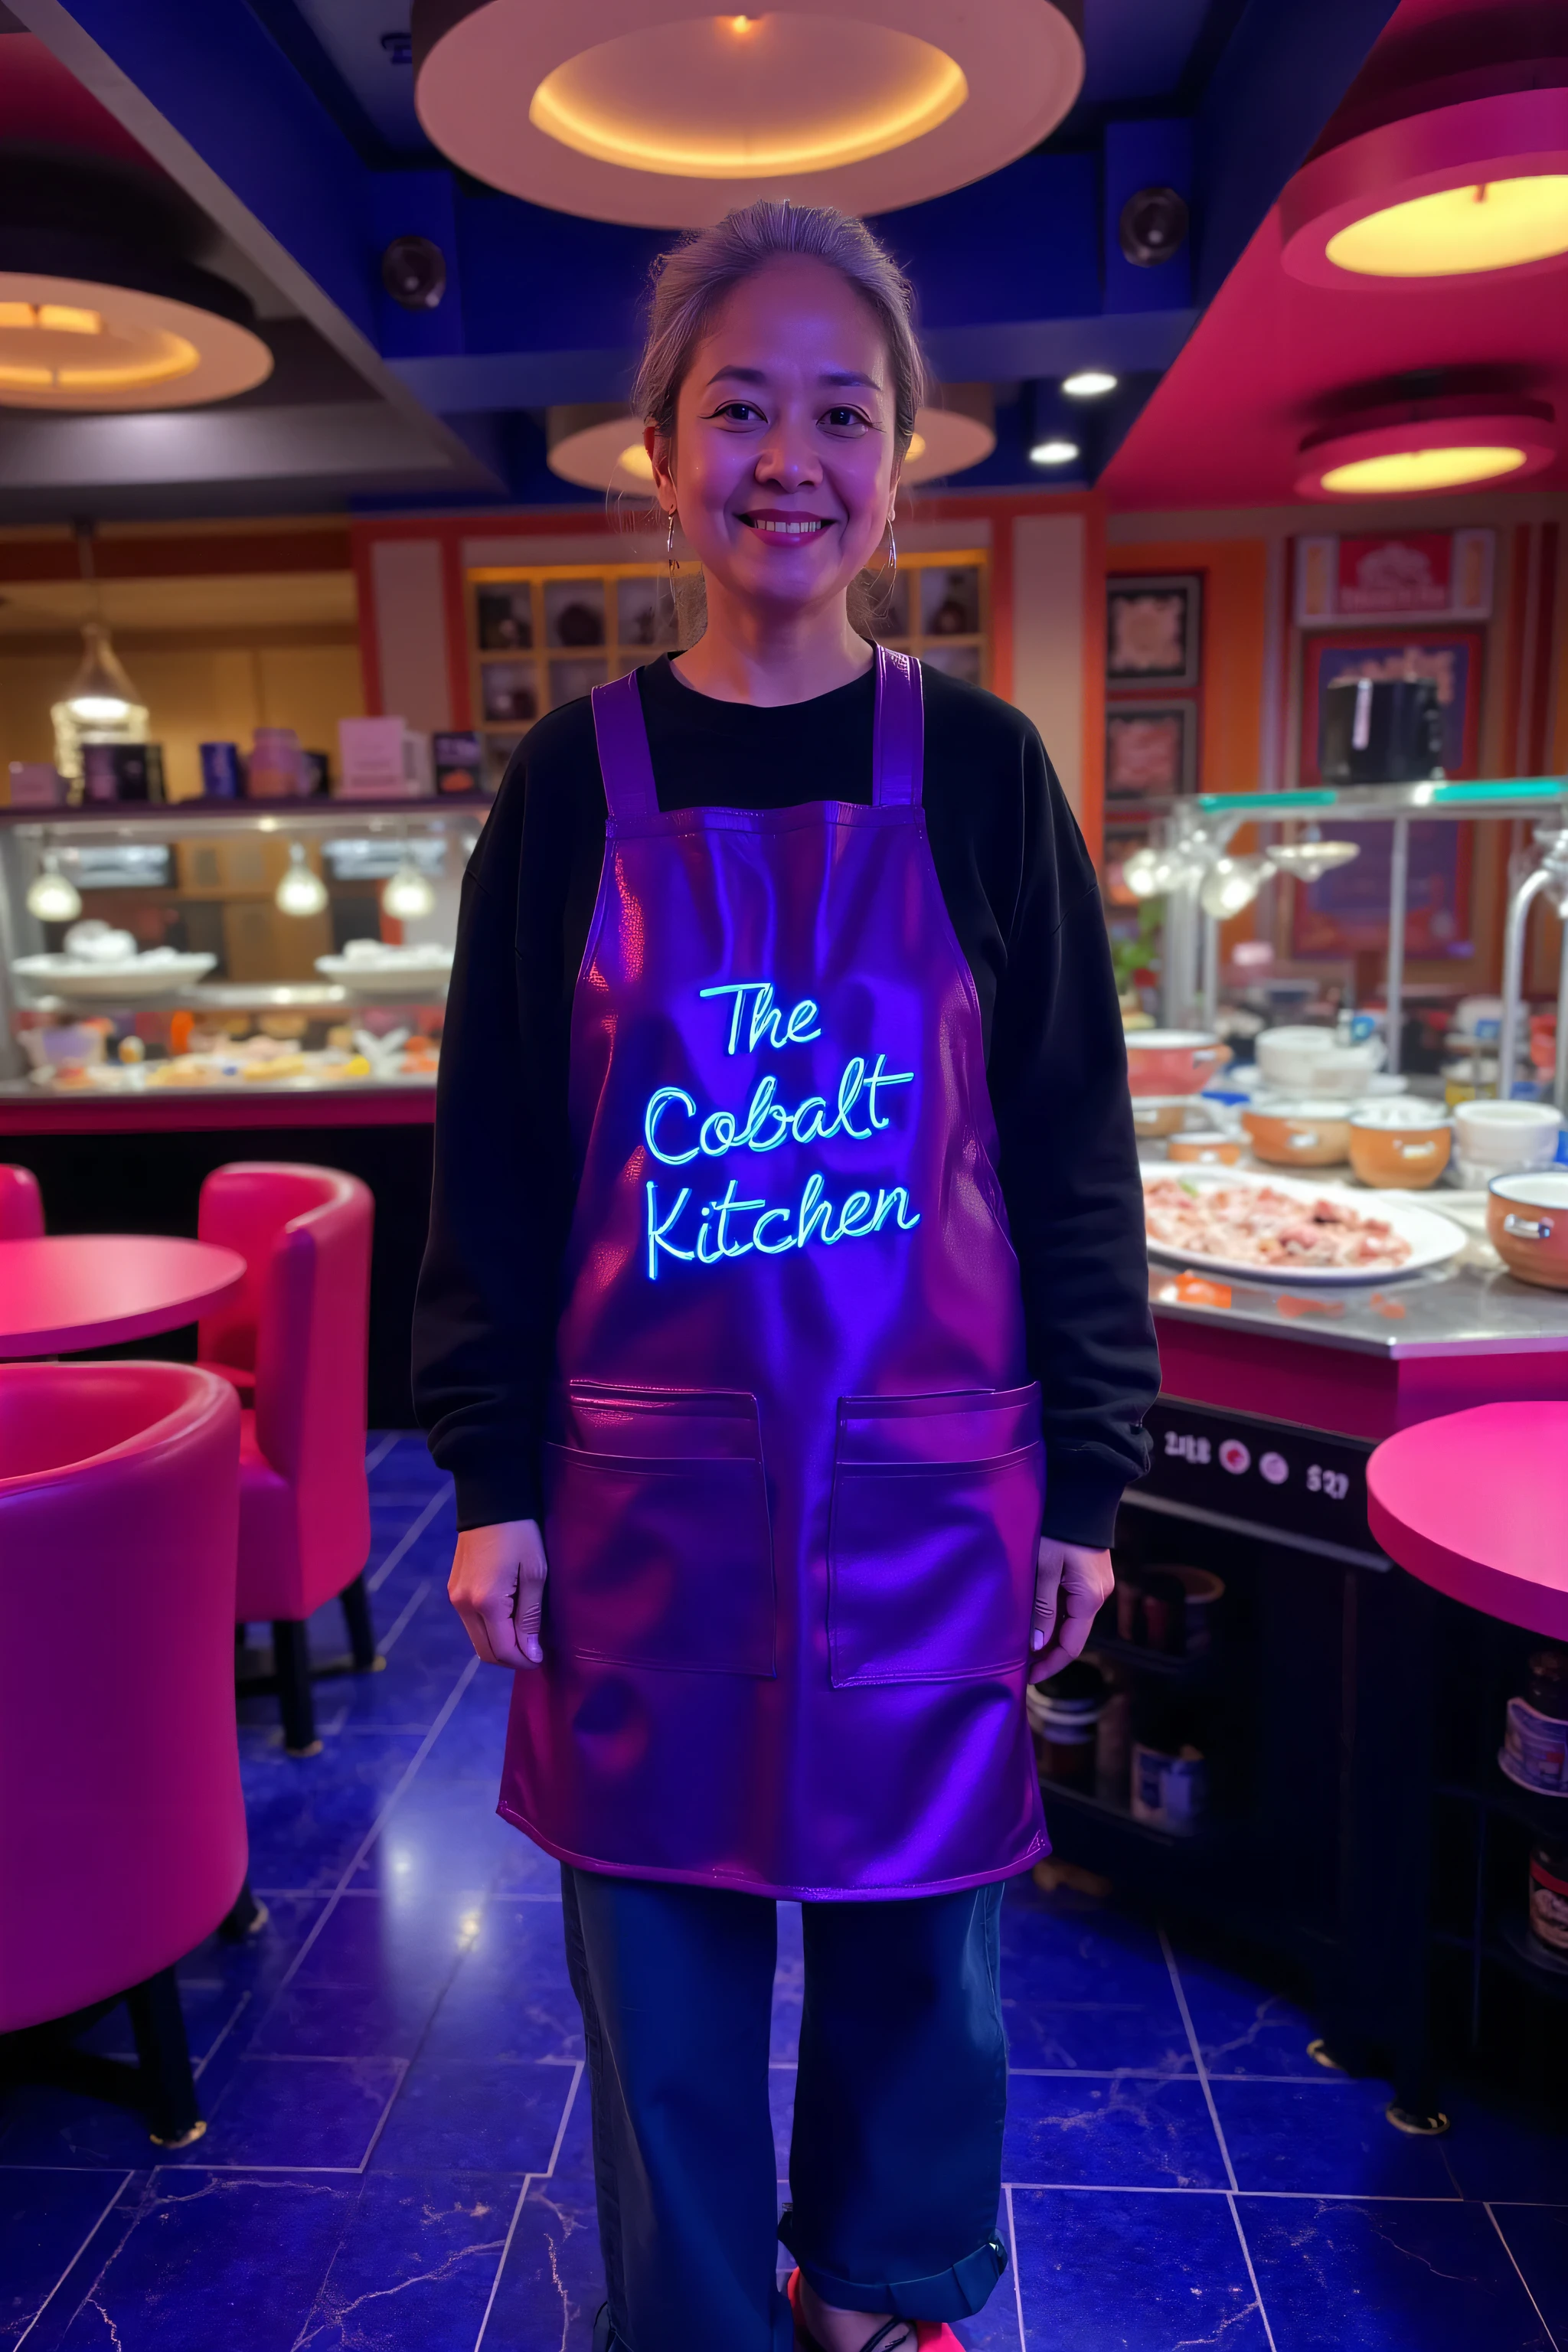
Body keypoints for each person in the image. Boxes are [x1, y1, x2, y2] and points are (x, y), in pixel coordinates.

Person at [413, 200, 1158, 2352]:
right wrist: (487, 1473)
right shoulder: (570, 785)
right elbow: (491, 1152)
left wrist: (1093, 1478)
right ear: (657, 451)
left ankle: (887, 2290)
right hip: (637, 1491)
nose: (787, 457)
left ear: (901, 457)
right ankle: (705, 2321)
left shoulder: (987, 772)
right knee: (656, 1958)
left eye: (841, 411)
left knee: (927, 1933)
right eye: (739, 406)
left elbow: (1070, 1149)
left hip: (932, 1481)